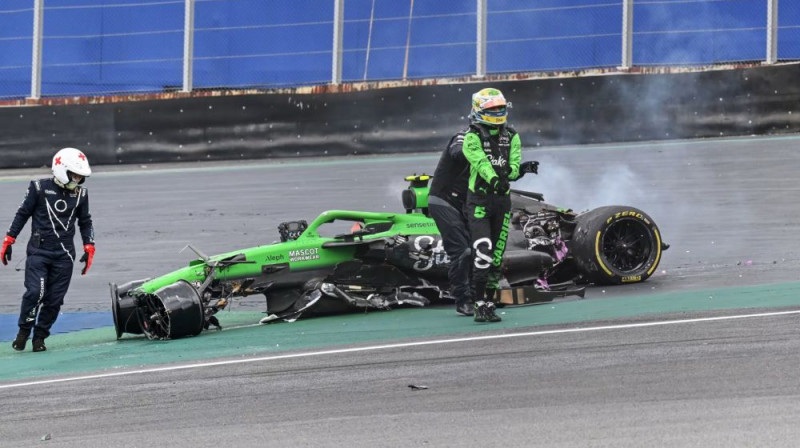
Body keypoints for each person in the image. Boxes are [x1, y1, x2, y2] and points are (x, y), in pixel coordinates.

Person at [2, 147, 95, 352]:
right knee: (36, 292)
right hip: (39, 252)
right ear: (62, 170)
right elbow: (23, 213)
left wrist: (89, 245)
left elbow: (85, 222)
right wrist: (9, 239)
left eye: (81, 176)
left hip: (64, 256)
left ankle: (40, 337)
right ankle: (23, 332)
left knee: (54, 301)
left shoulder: (82, 195)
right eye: (75, 175)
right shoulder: (39, 188)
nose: (78, 180)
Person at [461, 87, 536, 323]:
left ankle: (490, 302)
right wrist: (494, 177)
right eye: (492, 108)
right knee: (482, 254)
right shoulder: (471, 137)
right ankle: (479, 304)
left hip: (502, 203)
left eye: (500, 108)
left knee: (496, 257)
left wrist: (519, 171)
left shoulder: (512, 135)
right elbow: (480, 163)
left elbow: (513, 166)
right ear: (480, 110)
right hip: (479, 202)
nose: (497, 112)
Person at [429, 130, 475, 316]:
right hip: (444, 201)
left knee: (478, 249)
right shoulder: (463, 136)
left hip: (466, 204)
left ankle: (479, 295)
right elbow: (457, 151)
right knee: (463, 251)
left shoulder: (499, 143)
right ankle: (463, 300)